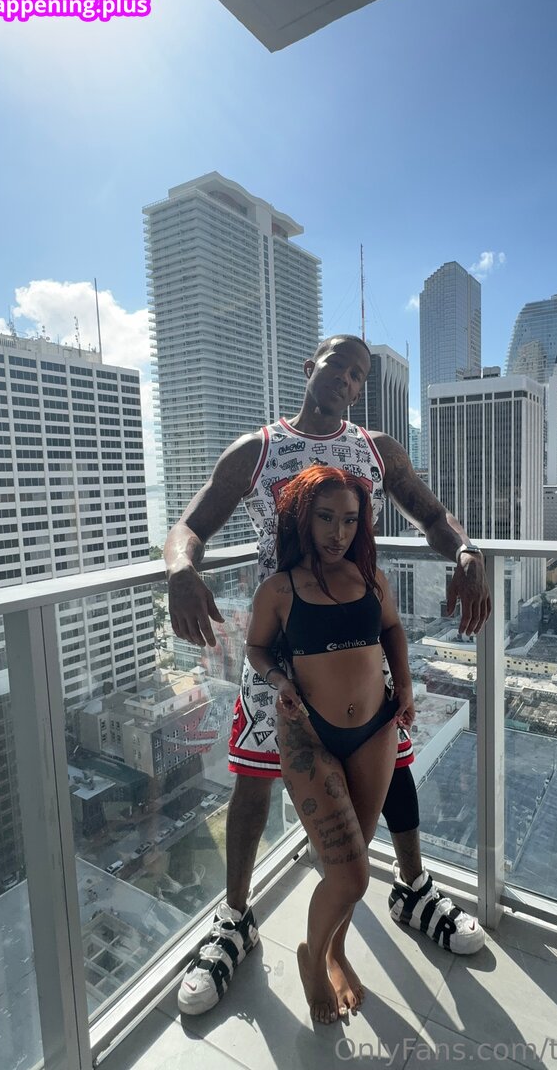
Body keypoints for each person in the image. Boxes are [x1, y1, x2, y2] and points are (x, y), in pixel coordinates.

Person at [167, 334, 490, 1016]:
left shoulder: (377, 450)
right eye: (338, 364)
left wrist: (465, 552)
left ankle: (411, 889)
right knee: (253, 779)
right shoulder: (257, 450)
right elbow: (189, 527)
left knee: (394, 765)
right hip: (280, 654)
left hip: (358, 645)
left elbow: (433, 516)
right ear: (309, 367)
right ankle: (235, 919)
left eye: (359, 373)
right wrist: (179, 569)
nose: (347, 378)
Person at [246, 465, 415, 1021]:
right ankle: (312, 961)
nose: (337, 533)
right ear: (303, 518)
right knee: (351, 874)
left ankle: (335, 950)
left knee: (351, 868)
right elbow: (256, 649)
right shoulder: (280, 589)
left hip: (376, 730)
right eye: (324, 518)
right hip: (309, 734)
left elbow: (392, 629)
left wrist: (405, 686)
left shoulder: (370, 577)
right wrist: (279, 681)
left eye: (349, 520)